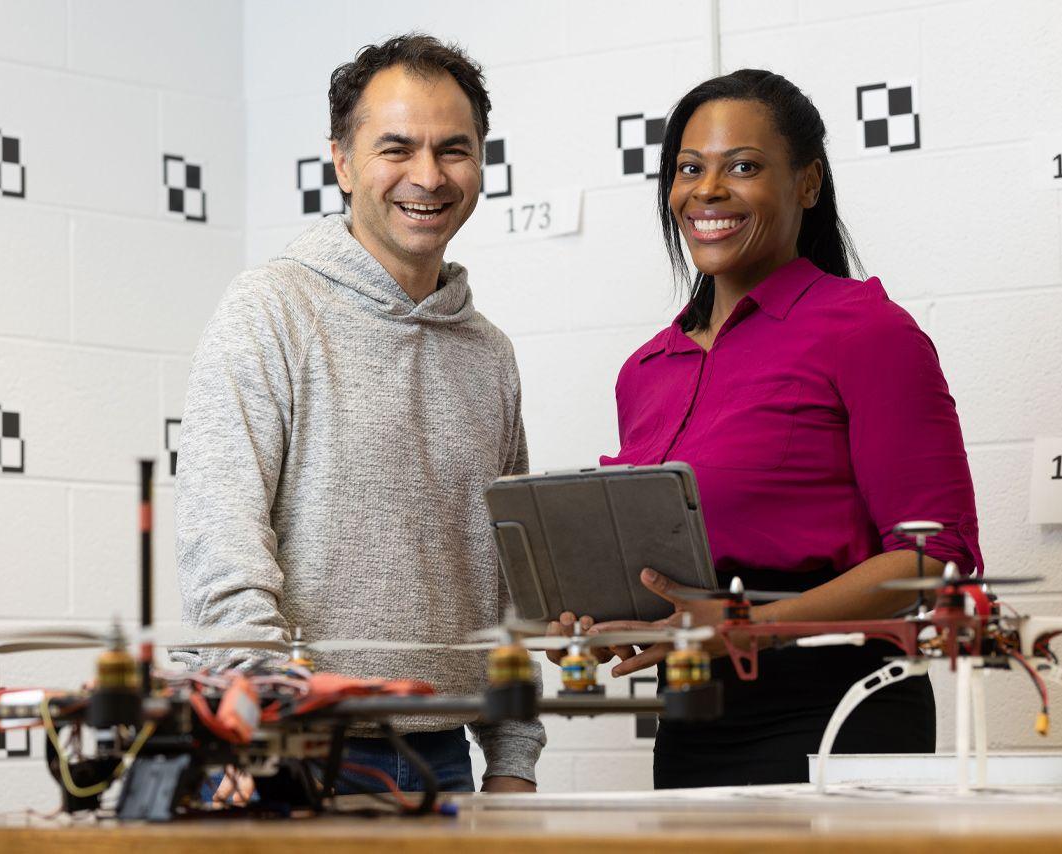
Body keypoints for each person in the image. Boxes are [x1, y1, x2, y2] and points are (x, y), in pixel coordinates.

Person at [551, 69, 982, 788]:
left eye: (742, 167)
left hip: (839, 709)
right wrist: (611, 617)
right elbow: (680, 577)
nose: (708, 190)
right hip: (694, 721)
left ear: (807, 184)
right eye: (690, 168)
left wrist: (743, 627)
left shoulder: (867, 331)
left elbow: (932, 559)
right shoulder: (645, 369)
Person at [176, 34, 543, 797]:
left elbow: (509, 581)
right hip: (286, 749)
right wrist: (264, 717)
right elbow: (222, 542)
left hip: (440, 758)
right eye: (396, 149)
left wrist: (512, 759)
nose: (428, 177)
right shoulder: (269, 310)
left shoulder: (490, 354)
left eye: (454, 149)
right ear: (341, 161)